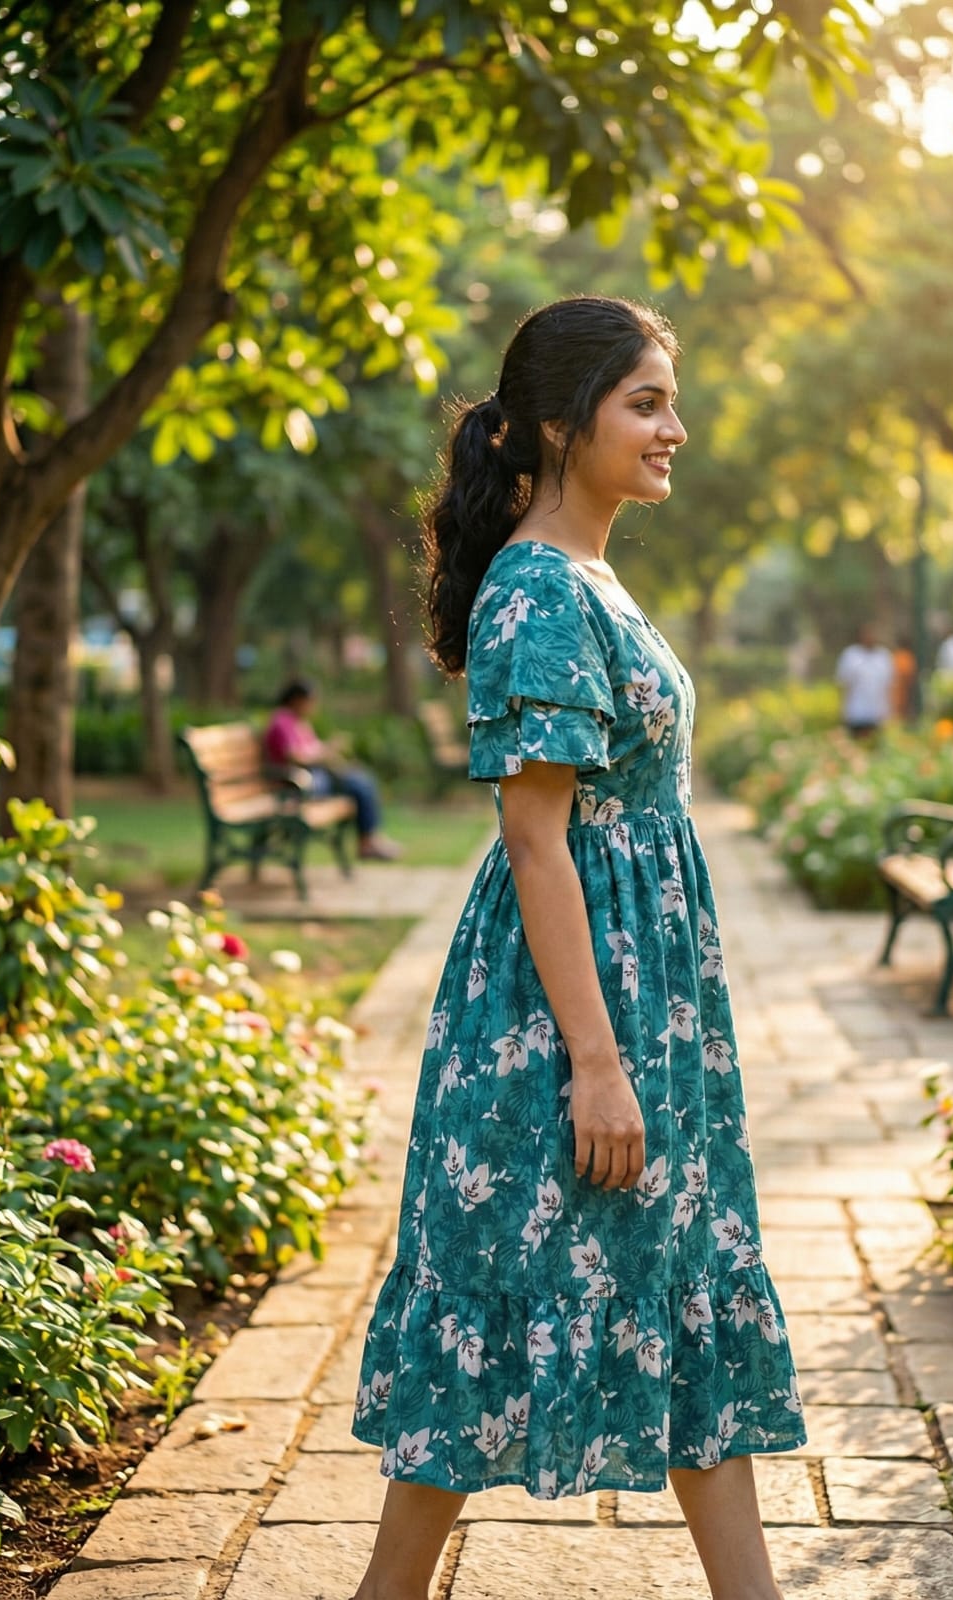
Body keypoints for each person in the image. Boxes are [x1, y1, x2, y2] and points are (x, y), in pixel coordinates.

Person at [350, 297, 806, 1600]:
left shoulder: (590, 575)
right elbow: (538, 842)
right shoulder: (539, 591)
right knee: (503, 1300)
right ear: (558, 426)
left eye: (669, 399)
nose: (675, 427)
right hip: (569, 1017)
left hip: (645, 1000)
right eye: (644, 402)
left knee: (674, 1283)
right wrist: (597, 1066)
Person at [262, 680, 403, 861]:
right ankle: (368, 842)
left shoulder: (298, 722)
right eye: (311, 701)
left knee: (362, 779)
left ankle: (371, 839)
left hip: (312, 779)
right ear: (297, 700)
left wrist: (329, 749)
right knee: (359, 783)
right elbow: (295, 756)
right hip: (296, 785)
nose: (314, 706)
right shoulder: (283, 720)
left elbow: (313, 748)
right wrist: (326, 753)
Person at [834, 622, 893, 740]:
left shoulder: (884, 656)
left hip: (877, 713)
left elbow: (889, 686)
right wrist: (841, 711)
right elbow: (843, 684)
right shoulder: (850, 656)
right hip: (856, 713)